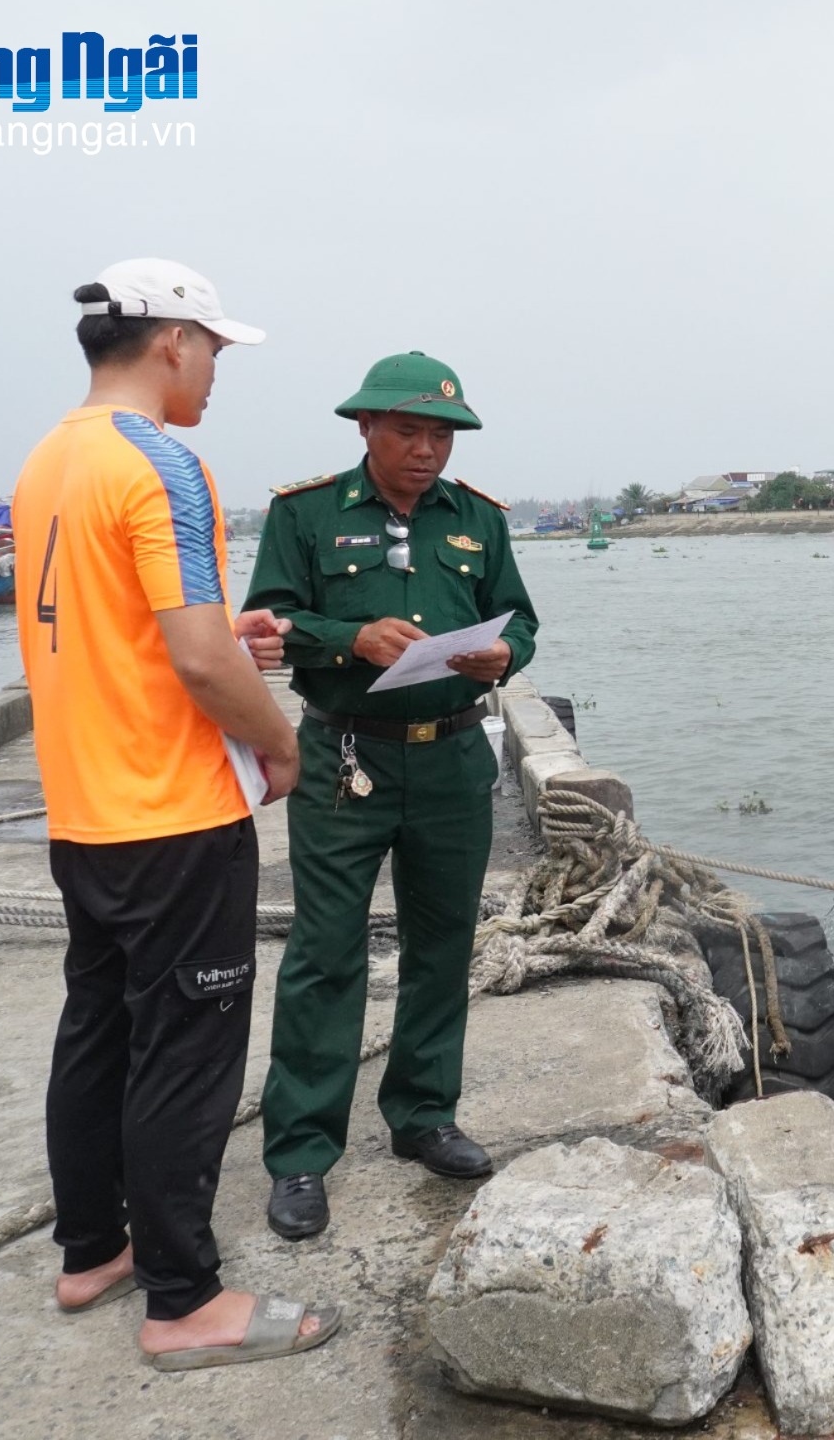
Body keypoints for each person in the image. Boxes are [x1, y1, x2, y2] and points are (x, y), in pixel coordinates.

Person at [14, 257, 340, 1368]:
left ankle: (90, 1249)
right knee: (188, 1049)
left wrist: (220, 649)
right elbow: (200, 658)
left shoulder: (47, 460)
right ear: (168, 344)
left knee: (98, 1029)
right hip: (172, 812)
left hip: (84, 809)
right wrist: (279, 739)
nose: (216, 371)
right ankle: (182, 1302)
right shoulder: (163, 461)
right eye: (212, 349)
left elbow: (125, 633)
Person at [243, 352, 540, 1240]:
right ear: (365, 428)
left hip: (451, 760)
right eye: (408, 431)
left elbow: (518, 616)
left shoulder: (477, 520)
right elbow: (272, 624)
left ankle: (422, 1114)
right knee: (325, 954)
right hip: (344, 758)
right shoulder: (304, 514)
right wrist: (350, 640)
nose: (425, 450)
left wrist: (505, 656)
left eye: (441, 434)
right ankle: (300, 1153)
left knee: (443, 946)